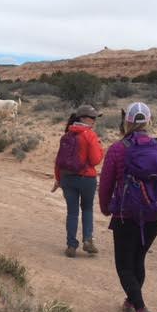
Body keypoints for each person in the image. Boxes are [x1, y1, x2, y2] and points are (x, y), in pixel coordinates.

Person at [98, 102, 157, 312]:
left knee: (124, 266)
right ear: (149, 121)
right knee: (138, 259)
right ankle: (130, 304)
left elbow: (106, 184)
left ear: (127, 122)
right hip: (155, 214)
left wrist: (104, 208)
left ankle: (142, 311)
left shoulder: (117, 149)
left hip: (127, 214)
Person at [52, 104, 104, 258]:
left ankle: (71, 245)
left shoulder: (66, 135)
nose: (95, 121)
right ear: (83, 118)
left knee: (72, 212)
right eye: (92, 118)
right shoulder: (89, 135)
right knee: (87, 209)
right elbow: (95, 160)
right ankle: (87, 240)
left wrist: (58, 179)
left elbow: (58, 161)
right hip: (86, 178)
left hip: (67, 179)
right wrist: (101, 150)